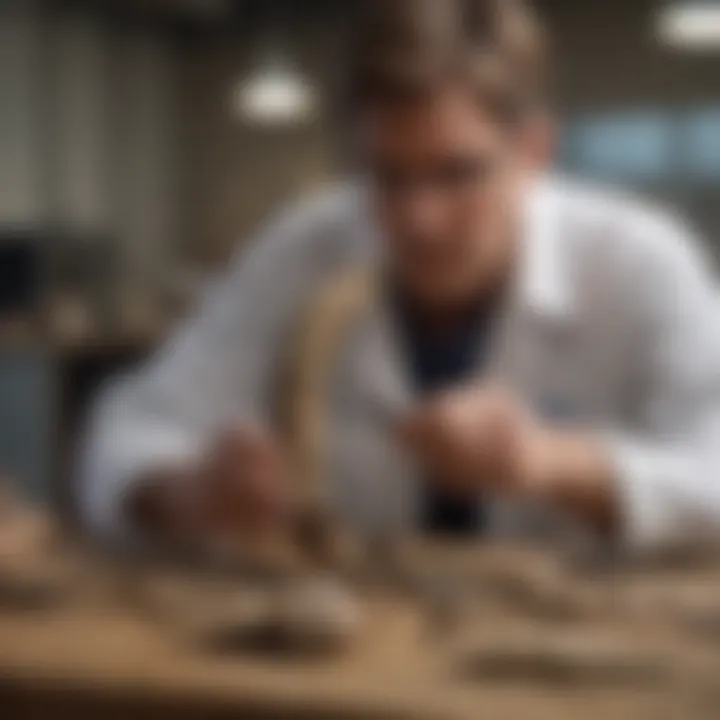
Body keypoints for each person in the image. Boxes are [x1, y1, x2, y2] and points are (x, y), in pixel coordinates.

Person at [81, 0, 720, 553]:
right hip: (361, 654)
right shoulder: (307, 248)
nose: (419, 220)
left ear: (533, 151)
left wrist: (553, 464)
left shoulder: (639, 260)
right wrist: (187, 496)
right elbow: (129, 430)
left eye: (457, 173)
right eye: (386, 176)